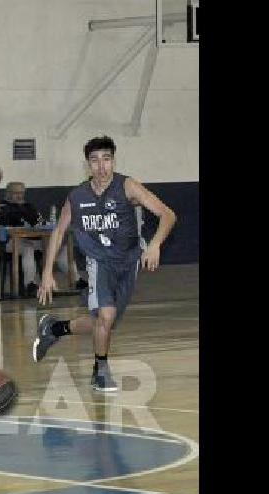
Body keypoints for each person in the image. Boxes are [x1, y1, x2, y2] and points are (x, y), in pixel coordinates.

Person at [32, 136, 177, 392]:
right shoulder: (77, 196)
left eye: (106, 159)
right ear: (88, 164)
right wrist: (47, 272)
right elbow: (58, 231)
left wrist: (154, 245)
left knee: (103, 322)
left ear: (113, 161)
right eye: (95, 160)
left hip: (129, 261)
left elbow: (167, 214)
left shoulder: (127, 186)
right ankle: (100, 372)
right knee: (106, 316)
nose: (101, 166)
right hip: (99, 262)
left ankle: (54, 328)